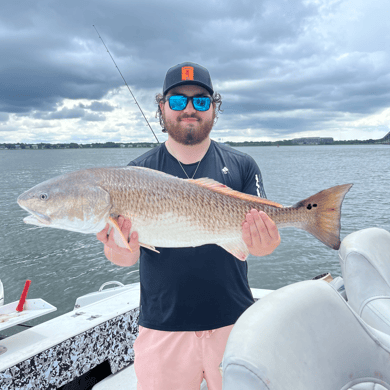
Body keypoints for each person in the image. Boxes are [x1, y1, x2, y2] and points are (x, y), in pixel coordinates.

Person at [97, 62, 281, 390]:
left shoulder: (242, 165)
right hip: (162, 329)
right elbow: (126, 257)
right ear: (162, 107)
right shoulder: (135, 172)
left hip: (235, 322)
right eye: (178, 101)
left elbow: (261, 247)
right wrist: (117, 248)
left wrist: (264, 241)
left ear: (214, 108)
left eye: (201, 101)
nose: (189, 110)